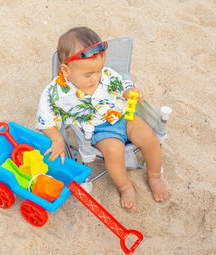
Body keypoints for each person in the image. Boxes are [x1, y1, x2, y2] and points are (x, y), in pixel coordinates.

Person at [35, 27, 168, 210]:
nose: (95, 78)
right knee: (114, 150)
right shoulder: (56, 92)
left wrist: (129, 91)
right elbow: (46, 120)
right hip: (98, 130)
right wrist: (57, 139)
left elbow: (123, 83)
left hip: (123, 116)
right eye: (88, 75)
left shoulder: (105, 74)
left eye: (98, 70)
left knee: (149, 137)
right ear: (65, 70)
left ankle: (154, 176)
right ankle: (125, 187)